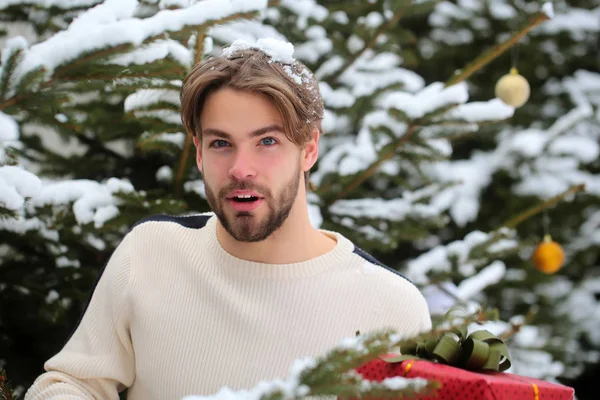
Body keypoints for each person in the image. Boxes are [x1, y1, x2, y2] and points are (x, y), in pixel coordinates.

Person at [25, 38, 432, 400]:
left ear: (309, 149)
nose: (241, 168)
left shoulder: (391, 305)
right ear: (199, 153)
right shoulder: (150, 251)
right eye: (221, 143)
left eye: (267, 141)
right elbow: (72, 383)